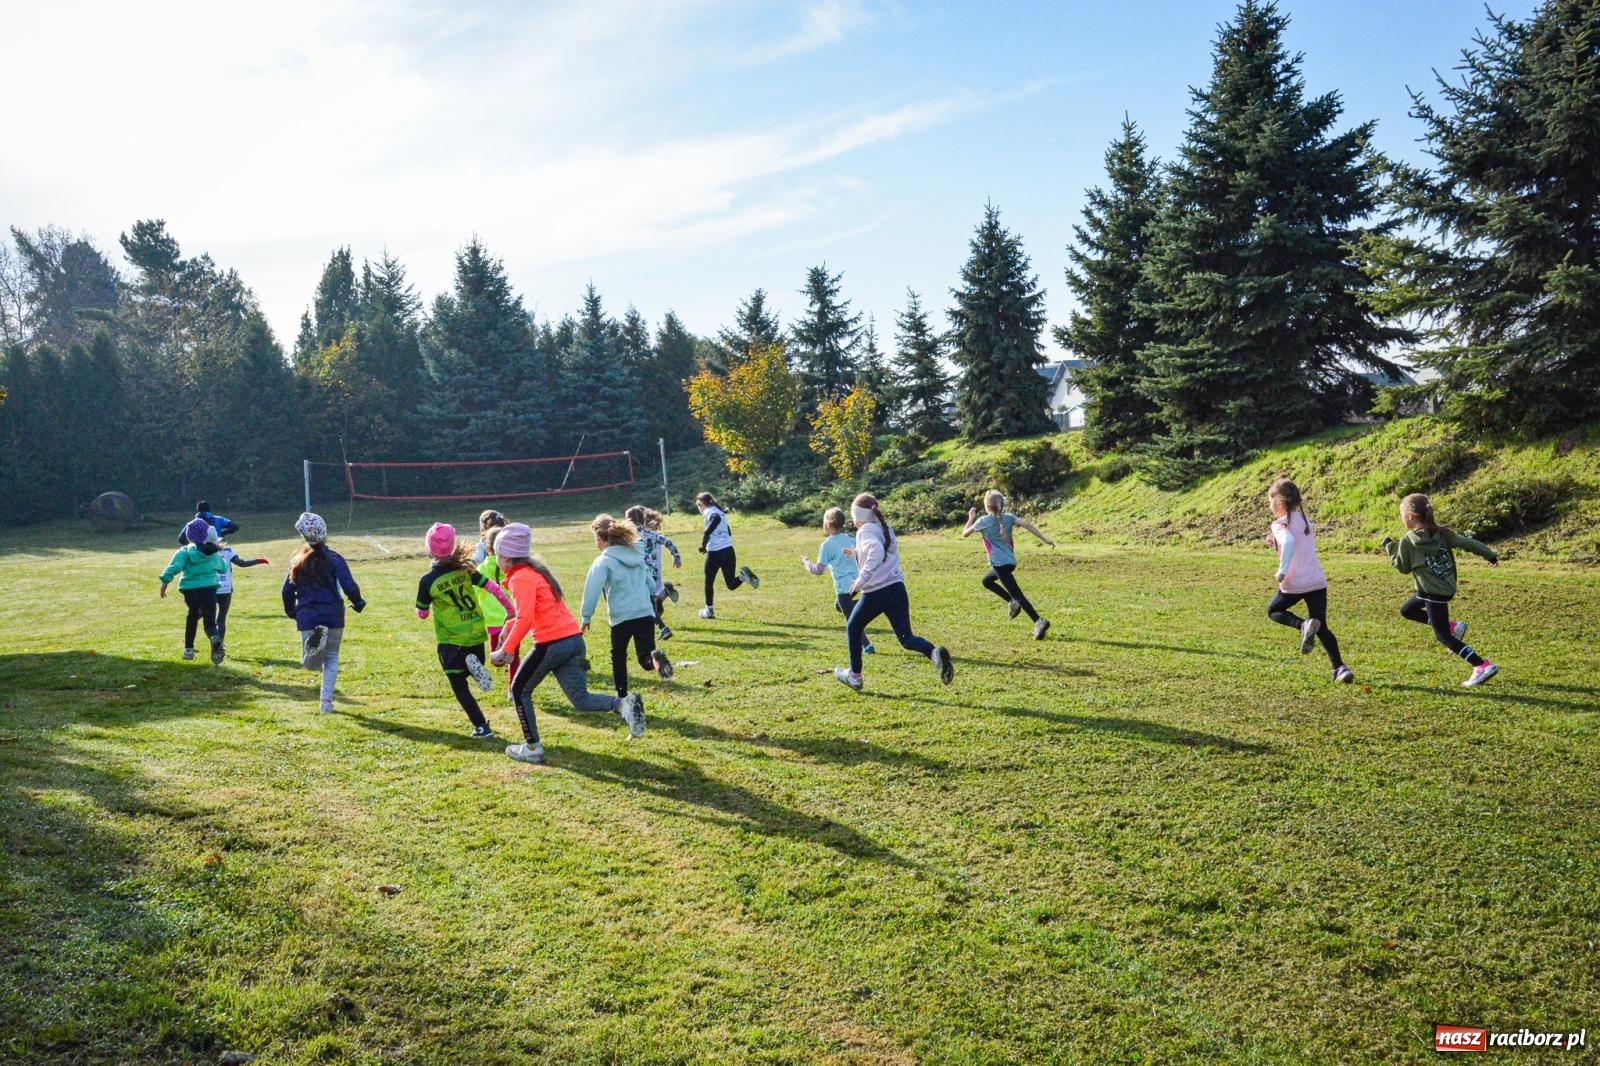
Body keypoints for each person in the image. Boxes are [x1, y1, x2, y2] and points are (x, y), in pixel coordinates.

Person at [489, 522, 645, 764]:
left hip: (551, 644)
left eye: (498, 555)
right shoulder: (535, 572)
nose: (497, 560)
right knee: (580, 699)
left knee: (519, 691)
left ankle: (532, 748)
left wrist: (505, 650)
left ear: (506, 557)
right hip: (572, 640)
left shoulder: (520, 577)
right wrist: (509, 626)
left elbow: (525, 618)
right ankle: (623, 705)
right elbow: (535, 611)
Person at [834, 492, 953, 692]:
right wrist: (856, 553)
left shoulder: (864, 531)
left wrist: (862, 578)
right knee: (906, 638)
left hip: (876, 593)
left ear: (858, 516)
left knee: (853, 627)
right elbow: (884, 553)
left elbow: (876, 552)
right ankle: (934, 654)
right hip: (897, 589)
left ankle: (854, 676)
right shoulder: (884, 528)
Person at [1383, 492, 1500, 687]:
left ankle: (1481, 665)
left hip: (1433, 594)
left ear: (1410, 516)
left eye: (1402, 515)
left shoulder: (1408, 541)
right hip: (1441, 589)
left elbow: (1402, 567)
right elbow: (1468, 543)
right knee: (1407, 610)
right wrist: (1490, 555)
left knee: (1443, 636)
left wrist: (1389, 547)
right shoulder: (1441, 533)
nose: (1402, 518)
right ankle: (1454, 627)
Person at [415, 522, 515, 738]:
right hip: (476, 636)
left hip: (451, 641)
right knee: (470, 663)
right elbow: (493, 588)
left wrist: (422, 611)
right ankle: (475, 667)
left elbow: (422, 613)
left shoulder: (428, 581)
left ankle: (481, 726)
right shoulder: (466, 571)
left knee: (459, 686)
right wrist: (510, 609)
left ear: (429, 551)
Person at [1263, 479, 1352, 683]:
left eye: (1270, 501)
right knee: (1321, 626)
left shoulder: (1278, 524)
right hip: (1317, 582)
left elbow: (1289, 541)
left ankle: (1302, 625)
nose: (1269, 506)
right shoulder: (1304, 521)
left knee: (1274, 611)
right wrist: (1275, 543)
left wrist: (1282, 571)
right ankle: (1340, 668)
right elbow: (1298, 546)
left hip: (1295, 583)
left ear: (1280, 502)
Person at [281, 512, 365, 713]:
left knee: (310, 664)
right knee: (332, 657)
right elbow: (349, 585)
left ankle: (315, 646)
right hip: (333, 613)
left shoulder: (297, 561)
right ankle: (326, 703)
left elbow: (286, 591)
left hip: (308, 615)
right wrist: (358, 602)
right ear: (324, 533)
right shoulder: (335, 558)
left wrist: (292, 611)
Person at [582, 514, 673, 696]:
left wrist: (586, 616)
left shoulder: (603, 561)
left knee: (619, 656)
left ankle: (622, 696)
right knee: (645, 657)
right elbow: (650, 584)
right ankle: (656, 661)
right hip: (644, 614)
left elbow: (592, 589)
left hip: (621, 618)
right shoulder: (637, 556)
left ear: (599, 539)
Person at [961, 490, 1055, 640]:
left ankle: (1038, 620)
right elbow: (1027, 525)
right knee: (987, 581)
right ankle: (1012, 602)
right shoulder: (1009, 517)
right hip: (1010, 562)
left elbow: (965, 533)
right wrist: (1045, 539)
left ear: (987, 506)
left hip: (999, 564)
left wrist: (970, 518)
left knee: (1017, 595)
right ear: (1001, 505)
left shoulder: (982, 521)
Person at [800, 506, 874, 654]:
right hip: (858, 583)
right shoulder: (852, 539)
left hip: (844, 588)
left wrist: (806, 562)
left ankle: (867, 646)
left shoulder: (827, 545)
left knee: (851, 619)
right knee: (839, 607)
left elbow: (818, 570)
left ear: (828, 525)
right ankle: (866, 605)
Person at [159, 517, 229, 664]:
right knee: (210, 622)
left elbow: (174, 567)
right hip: (209, 589)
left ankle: (188, 650)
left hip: (190, 590)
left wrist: (165, 581)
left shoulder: (184, 551)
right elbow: (223, 568)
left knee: (192, 615)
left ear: (189, 536)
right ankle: (215, 638)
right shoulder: (212, 552)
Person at [695, 491, 758, 619]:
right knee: (731, 584)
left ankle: (709, 611)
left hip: (715, 553)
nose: (699, 509)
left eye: (698, 506)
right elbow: (728, 531)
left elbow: (715, 520)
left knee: (708, 583)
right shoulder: (720, 512)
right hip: (728, 550)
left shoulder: (709, 511)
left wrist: (705, 542)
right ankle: (743, 577)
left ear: (702, 503)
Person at [625, 505, 682, 641]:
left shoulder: (630, 536)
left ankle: (663, 628)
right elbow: (668, 541)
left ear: (629, 520)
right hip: (655, 573)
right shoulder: (651, 533)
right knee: (652, 601)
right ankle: (665, 593)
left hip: (640, 574)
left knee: (646, 604)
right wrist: (676, 557)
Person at [476, 524, 519, 685]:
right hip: (513, 619)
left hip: (493, 621)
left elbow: (474, 593)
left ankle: (512, 684)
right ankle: (513, 689)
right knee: (513, 656)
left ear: (487, 548)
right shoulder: (512, 566)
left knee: (497, 659)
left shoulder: (481, 569)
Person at [213, 532, 269, 647]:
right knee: (221, 620)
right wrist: (258, 560)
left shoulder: (205, 553)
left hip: (211, 589)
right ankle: (219, 646)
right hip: (226, 589)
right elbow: (241, 563)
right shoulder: (228, 551)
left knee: (207, 618)